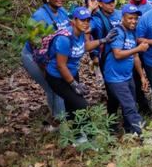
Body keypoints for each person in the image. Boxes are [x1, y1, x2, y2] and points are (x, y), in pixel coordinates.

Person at [44, 7, 110, 140]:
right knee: (82, 105)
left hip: (72, 73)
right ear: (73, 21)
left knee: (72, 106)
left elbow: (84, 47)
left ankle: (78, 136)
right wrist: (74, 84)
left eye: (87, 21)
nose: (86, 23)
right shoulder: (64, 39)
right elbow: (61, 65)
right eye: (82, 20)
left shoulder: (80, 34)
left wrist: (102, 41)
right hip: (58, 77)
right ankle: (91, 138)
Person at [21, 0, 69, 127]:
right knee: (53, 87)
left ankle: (56, 120)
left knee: (57, 87)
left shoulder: (62, 11)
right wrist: (44, 67)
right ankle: (60, 123)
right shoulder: (39, 16)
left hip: (52, 55)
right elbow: (36, 44)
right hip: (34, 57)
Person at [102, 5, 150, 135]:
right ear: (122, 17)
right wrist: (139, 49)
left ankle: (128, 130)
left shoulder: (131, 32)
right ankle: (141, 132)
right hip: (115, 77)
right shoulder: (118, 32)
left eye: (135, 18)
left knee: (126, 103)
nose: (133, 21)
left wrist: (141, 76)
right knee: (130, 106)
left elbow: (135, 57)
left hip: (127, 76)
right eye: (130, 18)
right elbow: (117, 54)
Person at [90, 0, 122, 123]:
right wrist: (90, 9)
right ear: (100, 4)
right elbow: (84, 28)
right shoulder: (97, 19)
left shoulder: (120, 14)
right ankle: (112, 121)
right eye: (108, 2)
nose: (111, 4)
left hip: (124, 56)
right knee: (112, 91)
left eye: (113, 1)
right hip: (108, 59)